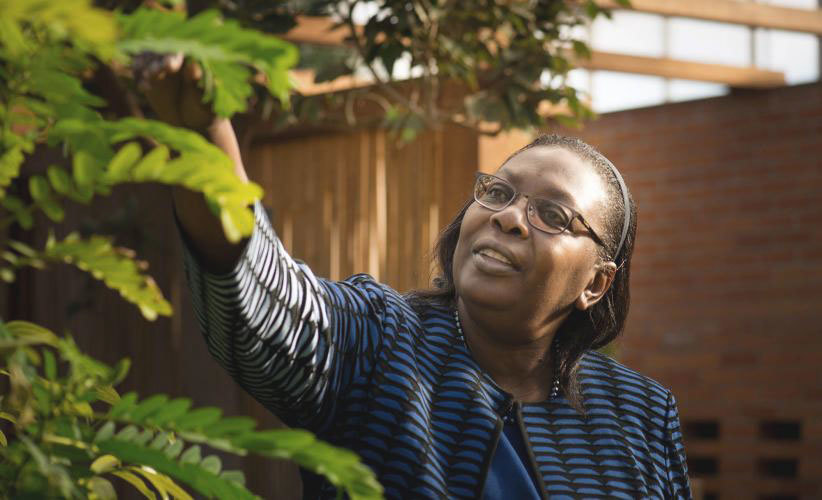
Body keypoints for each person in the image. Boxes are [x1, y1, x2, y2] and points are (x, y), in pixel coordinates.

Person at [143, 55, 692, 499]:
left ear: (596, 284)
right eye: (499, 193)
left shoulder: (638, 412)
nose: (507, 216)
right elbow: (267, 303)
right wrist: (203, 137)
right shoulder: (378, 343)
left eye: (552, 214)